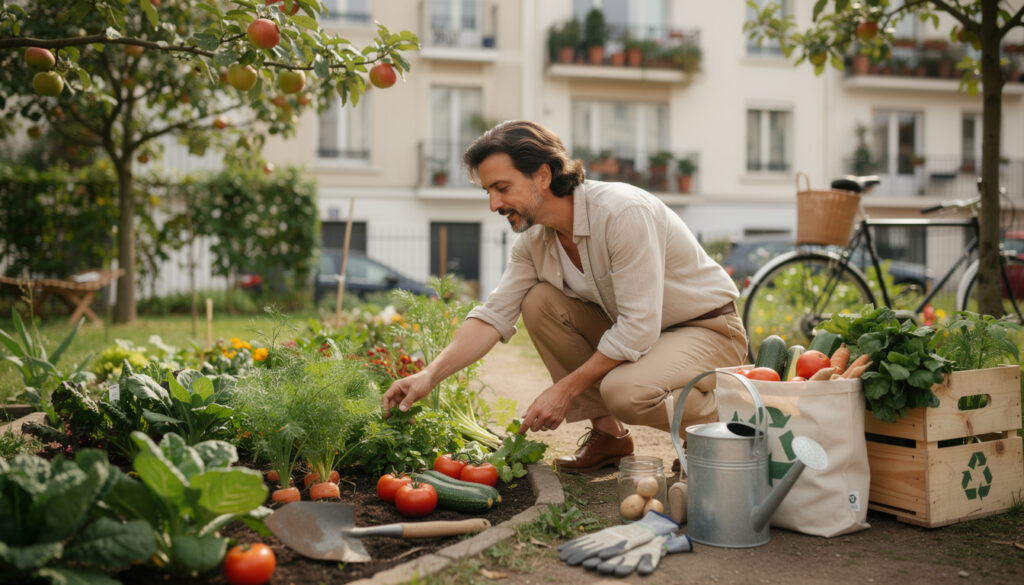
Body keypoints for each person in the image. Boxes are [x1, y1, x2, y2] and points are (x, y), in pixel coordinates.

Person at [383, 120, 747, 472]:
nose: (494, 204)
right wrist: (428, 376)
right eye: (488, 192)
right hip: (650, 337)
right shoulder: (534, 241)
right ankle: (609, 436)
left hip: (708, 330)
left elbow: (638, 327)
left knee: (625, 391)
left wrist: (564, 390)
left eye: (502, 188)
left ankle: (726, 422)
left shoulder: (622, 213)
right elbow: (493, 315)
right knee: (538, 302)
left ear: (543, 175)